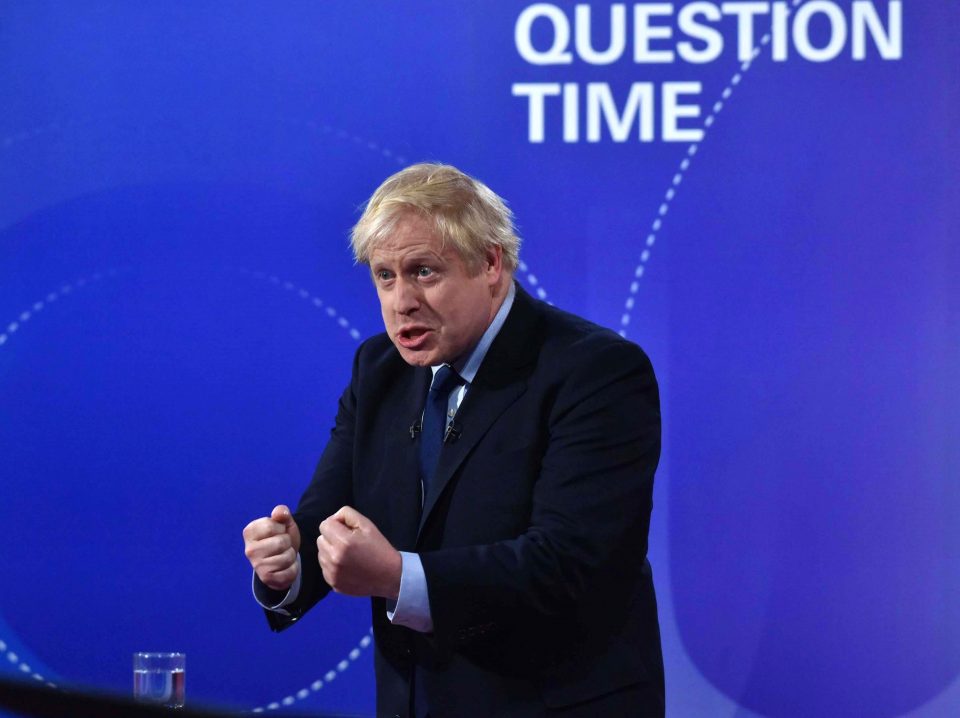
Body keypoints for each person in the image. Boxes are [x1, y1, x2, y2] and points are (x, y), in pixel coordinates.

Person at [242, 163, 664, 717]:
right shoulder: (380, 370)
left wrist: (397, 576)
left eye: (423, 272)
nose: (401, 302)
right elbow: (329, 524)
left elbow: (569, 565)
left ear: (491, 263)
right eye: (384, 276)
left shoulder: (595, 371)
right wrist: (290, 564)